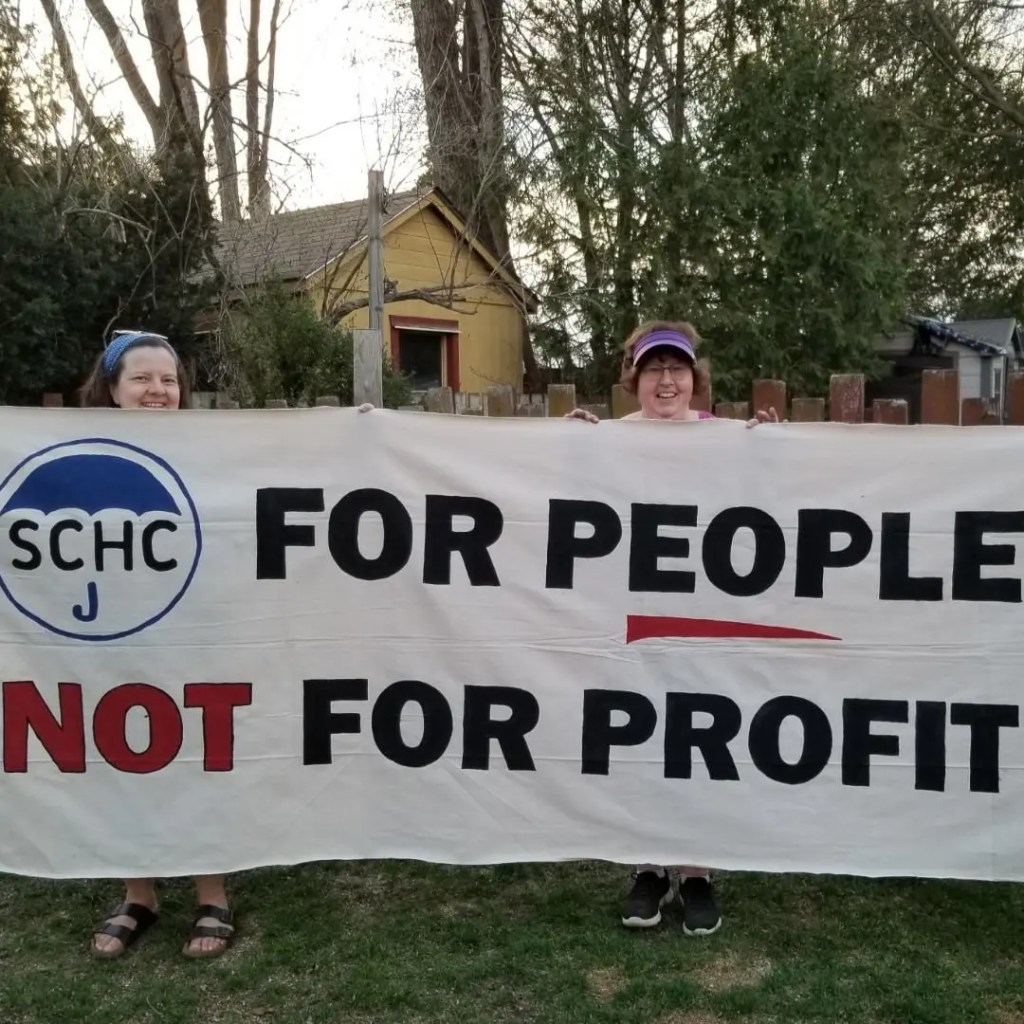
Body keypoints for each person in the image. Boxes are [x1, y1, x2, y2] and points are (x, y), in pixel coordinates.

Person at [566, 319, 778, 936]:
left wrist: (770, 449)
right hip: (627, 617)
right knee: (638, 736)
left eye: (677, 369)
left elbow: (768, 499)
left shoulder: (724, 439)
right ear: (635, 378)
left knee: (701, 734)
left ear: (695, 378)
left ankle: (697, 874)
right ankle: (648, 869)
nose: (666, 380)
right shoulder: (610, 438)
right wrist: (568, 446)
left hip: (704, 614)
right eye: (654, 369)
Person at [80, 330, 235, 960]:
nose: (158, 391)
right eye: (142, 379)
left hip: (195, 631)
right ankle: (139, 895)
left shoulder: (214, 452)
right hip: (109, 636)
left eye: (168, 380)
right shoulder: (77, 454)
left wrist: (361, 435)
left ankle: (213, 896)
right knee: (121, 759)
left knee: (199, 756)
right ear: (112, 390)